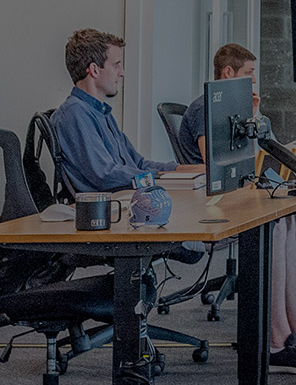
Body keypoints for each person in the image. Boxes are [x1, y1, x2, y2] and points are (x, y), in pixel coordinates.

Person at [179, 43, 296, 374]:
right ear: (228, 73)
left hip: (239, 195)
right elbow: (215, 162)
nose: (254, 80)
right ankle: (279, 338)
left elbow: (258, 156)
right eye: (249, 73)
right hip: (214, 207)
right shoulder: (206, 108)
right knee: (276, 223)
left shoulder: (240, 107)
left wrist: (256, 118)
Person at [51, 28, 204, 263]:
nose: (121, 73)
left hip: (126, 202)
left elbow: (139, 163)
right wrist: (159, 178)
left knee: (195, 226)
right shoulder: (75, 114)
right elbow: (105, 175)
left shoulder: (101, 112)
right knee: (192, 240)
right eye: (116, 65)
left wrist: (187, 170)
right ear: (94, 70)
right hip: (111, 212)